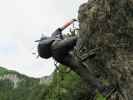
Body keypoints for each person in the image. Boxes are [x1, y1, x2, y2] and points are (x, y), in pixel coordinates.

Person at [37, 19, 114, 96]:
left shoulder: (51, 39)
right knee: (76, 39)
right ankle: (81, 54)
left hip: (58, 57)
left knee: (82, 71)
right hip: (56, 46)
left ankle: (104, 90)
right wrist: (72, 21)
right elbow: (62, 27)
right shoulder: (54, 35)